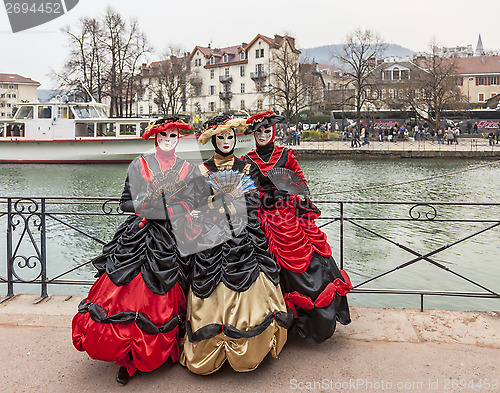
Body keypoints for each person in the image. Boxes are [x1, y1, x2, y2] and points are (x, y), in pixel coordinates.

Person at [72, 117, 200, 385]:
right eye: (163, 135)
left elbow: (196, 200)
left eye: (173, 135)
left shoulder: (189, 169)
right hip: (140, 234)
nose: (168, 140)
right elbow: (124, 203)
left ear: (179, 138)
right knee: (127, 289)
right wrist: (147, 206)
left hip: (172, 235)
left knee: (171, 289)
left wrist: (173, 210)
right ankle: (126, 354)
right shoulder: (139, 165)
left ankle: (162, 345)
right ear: (155, 137)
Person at [182, 114, 290, 375]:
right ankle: (212, 347)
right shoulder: (201, 170)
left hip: (244, 235)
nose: (227, 142)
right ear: (213, 140)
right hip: (212, 236)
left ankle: (251, 344)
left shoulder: (246, 167)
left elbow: (254, 200)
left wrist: (235, 205)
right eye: (221, 137)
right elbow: (194, 202)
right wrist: (211, 209)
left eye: (230, 137)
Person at [243, 110, 352, 343]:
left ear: (273, 131)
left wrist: (295, 195)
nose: (262, 135)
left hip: (287, 217)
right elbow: (246, 191)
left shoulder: (286, 154)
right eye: (258, 131)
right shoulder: (247, 159)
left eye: (266, 130)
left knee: (306, 258)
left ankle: (306, 320)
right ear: (253, 134)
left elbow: (301, 186)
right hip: (261, 216)